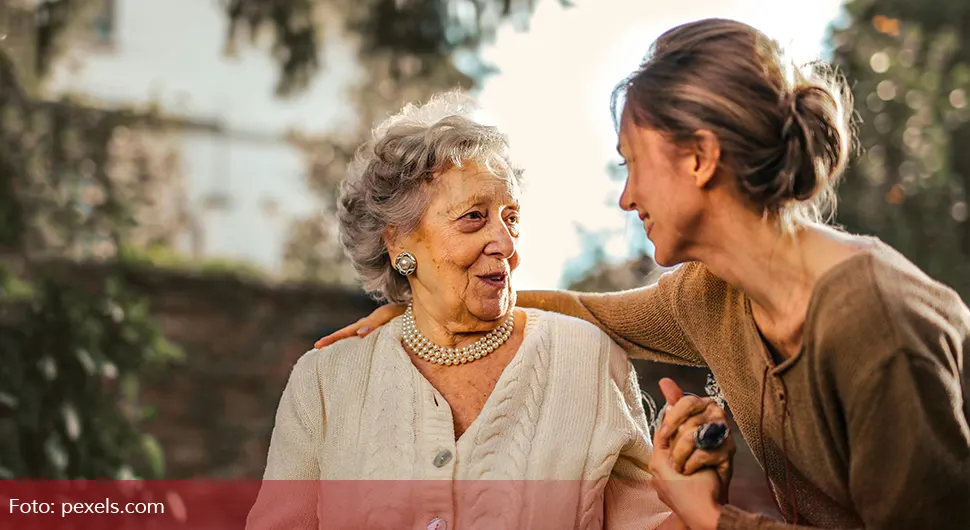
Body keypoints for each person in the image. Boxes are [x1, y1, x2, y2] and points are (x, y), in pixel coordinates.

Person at [313, 18, 970, 530]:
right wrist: (429, 308)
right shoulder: (713, 295)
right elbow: (585, 313)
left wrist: (707, 514)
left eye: (631, 163)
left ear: (700, 158)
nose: (626, 197)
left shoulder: (873, 323)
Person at [247, 92, 733, 530]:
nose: (504, 243)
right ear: (398, 242)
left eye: (512, 218)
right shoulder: (327, 382)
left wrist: (697, 498)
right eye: (474, 217)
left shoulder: (587, 359)